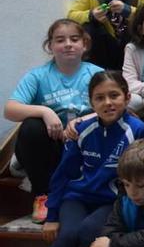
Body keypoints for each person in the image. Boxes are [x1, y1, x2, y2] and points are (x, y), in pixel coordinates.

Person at [13, 71, 144, 247]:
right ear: (91, 103)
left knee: (89, 231)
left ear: (127, 97)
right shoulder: (83, 130)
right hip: (76, 197)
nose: (108, 102)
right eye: (100, 98)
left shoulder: (138, 130)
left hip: (112, 201)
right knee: (68, 234)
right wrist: (53, 214)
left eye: (114, 95)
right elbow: (63, 174)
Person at [4, 19, 103, 223]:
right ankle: (42, 195)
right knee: (31, 126)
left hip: (82, 145)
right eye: (60, 40)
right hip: (50, 145)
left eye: (74, 39)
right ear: (50, 46)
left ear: (84, 44)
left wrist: (85, 118)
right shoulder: (38, 75)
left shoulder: (96, 74)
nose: (68, 44)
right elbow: (10, 110)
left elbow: (117, 106)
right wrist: (44, 111)